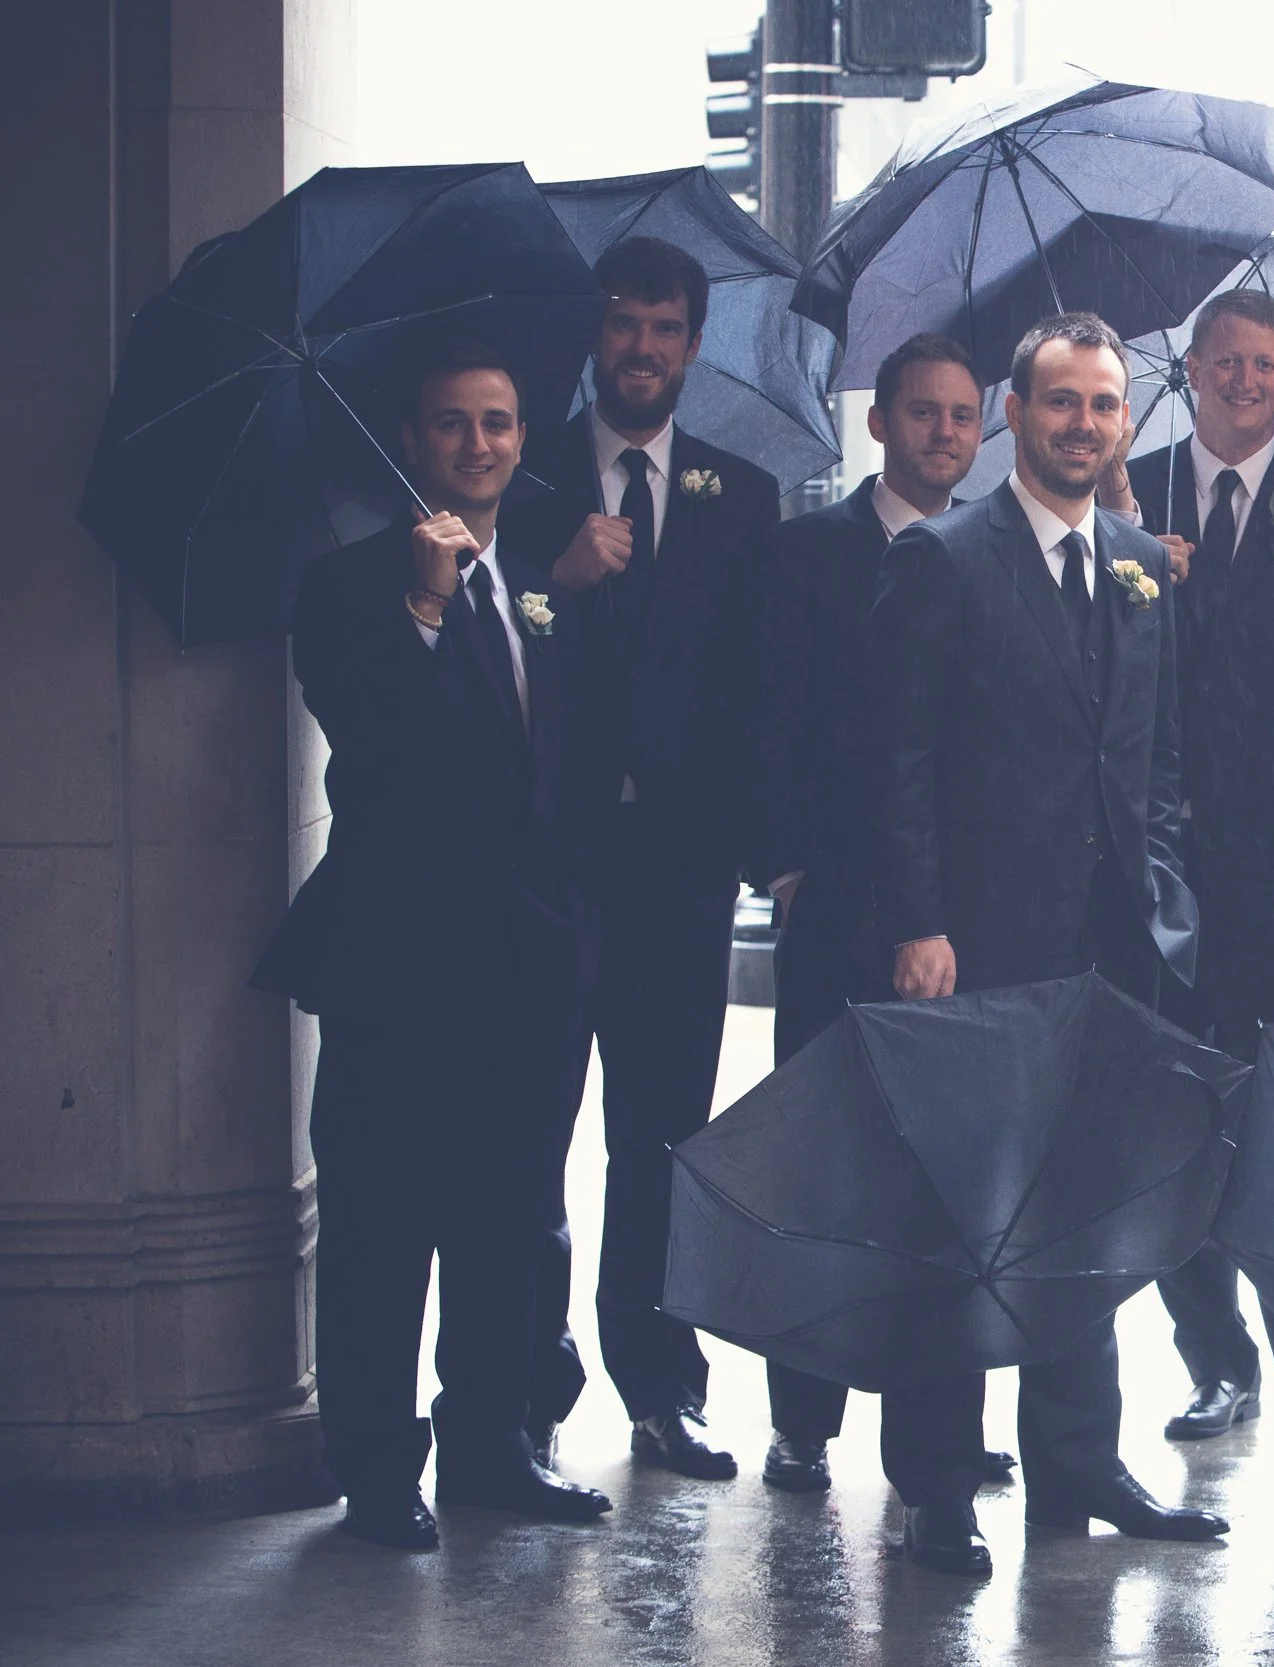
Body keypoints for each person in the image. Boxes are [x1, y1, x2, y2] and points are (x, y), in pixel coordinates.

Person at [870, 311, 1224, 1576]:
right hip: (971, 950)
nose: (1084, 424)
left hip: (1112, 953)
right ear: (1014, 414)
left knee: (1086, 1211)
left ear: (1127, 421)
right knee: (960, 1215)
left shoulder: (1138, 560)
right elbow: (897, 762)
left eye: (1105, 405)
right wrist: (918, 922)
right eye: (1061, 402)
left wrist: (1163, 886)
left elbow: (1156, 753)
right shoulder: (944, 561)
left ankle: (1075, 1458)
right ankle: (935, 1483)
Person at [253, 343, 612, 1548]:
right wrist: (417, 606)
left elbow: (549, 777)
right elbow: (370, 746)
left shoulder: (535, 585)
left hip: (527, 969)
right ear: (412, 442)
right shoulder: (348, 586)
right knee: (383, 1224)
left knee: (509, 1213)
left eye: (498, 422)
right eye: (452, 423)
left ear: (522, 437)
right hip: (398, 968)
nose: (478, 443)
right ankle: (374, 1466)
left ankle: (491, 1442)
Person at [1098, 289, 1274, 1476]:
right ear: (1197, 366)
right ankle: (1217, 1360)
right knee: (1176, 1118)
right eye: (1227, 362)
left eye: (1266, 366)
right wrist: (1137, 561)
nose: (1245, 382)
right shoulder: (1140, 484)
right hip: (1160, 863)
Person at [507, 237, 780, 1483]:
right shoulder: (526, 474)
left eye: (665, 329)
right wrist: (551, 585)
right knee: (528, 1128)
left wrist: (756, 854)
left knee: (663, 1137)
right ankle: (524, 1383)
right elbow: (484, 643)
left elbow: (754, 699)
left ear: (692, 343)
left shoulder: (742, 494)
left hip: (678, 876)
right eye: (623, 324)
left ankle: (661, 1386)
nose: (642, 348)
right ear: (594, 336)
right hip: (548, 866)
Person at [742, 331, 1012, 1495]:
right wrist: (787, 866)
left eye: (960, 416)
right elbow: (757, 723)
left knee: (946, 1183)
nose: (942, 433)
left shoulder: (997, 555)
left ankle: (941, 1422)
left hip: (958, 920)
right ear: (880, 423)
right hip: (835, 905)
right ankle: (801, 1417)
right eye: (921, 412)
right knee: (821, 1170)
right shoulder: (803, 555)